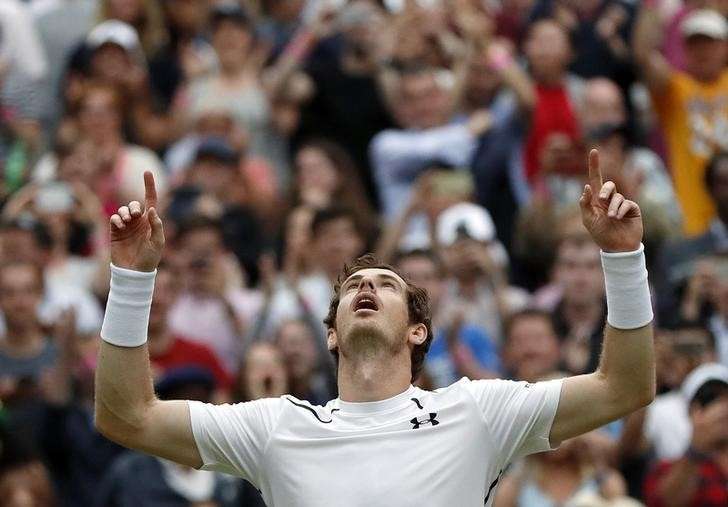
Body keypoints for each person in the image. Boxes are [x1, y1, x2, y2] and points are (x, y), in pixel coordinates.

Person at [94, 152, 656, 505]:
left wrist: (624, 259)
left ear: (417, 332)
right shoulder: (275, 426)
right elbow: (127, 417)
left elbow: (623, 388)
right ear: (333, 333)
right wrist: (133, 278)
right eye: (353, 286)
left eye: (385, 284)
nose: (366, 287)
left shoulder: (480, 411)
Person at [634, 6, 728, 236]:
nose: (702, 50)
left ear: (724, 46)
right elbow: (644, 56)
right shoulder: (675, 89)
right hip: (691, 218)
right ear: (684, 49)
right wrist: (651, 5)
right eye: (695, 43)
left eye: (710, 42)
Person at [643, 363, 728, 507]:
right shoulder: (665, 469)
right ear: (691, 412)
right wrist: (697, 448)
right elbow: (665, 503)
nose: (721, 410)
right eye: (709, 400)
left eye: (726, 399)